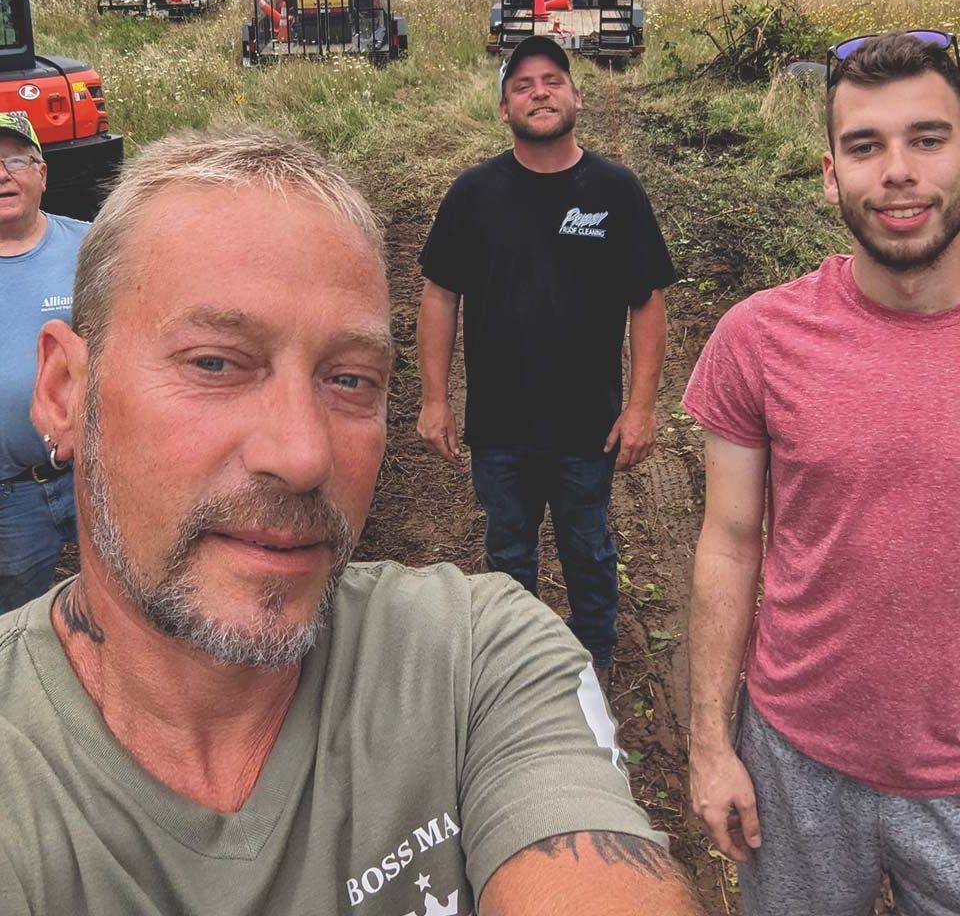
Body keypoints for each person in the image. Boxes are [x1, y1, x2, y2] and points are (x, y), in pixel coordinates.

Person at [2, 124, 698, 916]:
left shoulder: (475, 661)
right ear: (64, 388)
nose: (303, 456)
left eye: (350, 379)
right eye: (216, 363)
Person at [684, 30, 960, 915]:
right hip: (796, 765)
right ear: (831, 173)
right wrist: (709, 746)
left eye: (928, 138)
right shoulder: (760, 339)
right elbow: (728, 544)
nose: (899, 171)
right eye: (865, 145)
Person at [417, 36, 676, 685]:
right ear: (504, 109)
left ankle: (595, 656)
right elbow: (440, 295)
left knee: (588, 545)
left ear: (577, 97)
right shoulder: (474, 194)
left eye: (552, 80)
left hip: (587, 423)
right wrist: (433, 398)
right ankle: (517, 663)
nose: (540, 91)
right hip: (499, 424)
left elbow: (646, 303)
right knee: (508, 549)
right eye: (523, 84)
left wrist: (642, 407)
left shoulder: (615, 191)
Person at [0, 111, 86, 613]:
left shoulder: (92, 248)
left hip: (93, 472)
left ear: (42, 173)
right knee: (16, 616)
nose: (2, 174)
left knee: (130, 589)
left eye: (15, 159)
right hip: (10, 495)